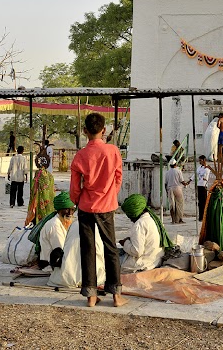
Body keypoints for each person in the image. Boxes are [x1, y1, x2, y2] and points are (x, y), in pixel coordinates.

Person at [69, 112, 127, 308]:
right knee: (111, 248)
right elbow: (118, 178)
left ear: (85, 131)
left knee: (88, 249)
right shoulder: (113, 151)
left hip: (85, 205)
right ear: (104, 130)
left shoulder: (80, 155)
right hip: (106, 206)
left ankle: (91, 296)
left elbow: (75, 187)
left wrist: (76, 200)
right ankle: (116, 295)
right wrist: (110, 194)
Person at [119, 194, 174, 273]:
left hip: (143, 264)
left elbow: (137, 251)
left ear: (133, 213)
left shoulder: (139, 224)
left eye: (129, 216)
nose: (130, 219)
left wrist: (125, 243)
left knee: (110, 260)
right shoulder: (152, 219)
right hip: (155, 260)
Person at [38, 192, 76, 269]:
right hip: (52, 264)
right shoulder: (54, 225)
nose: (70, 213)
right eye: (66, 209)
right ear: (59, 210)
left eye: (72, 209)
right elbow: (60, 249)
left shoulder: (64, 222)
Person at [164, 159, 188, 224]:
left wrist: (166, 191)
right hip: (177, 189)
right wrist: (185, 184)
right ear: (175, 164)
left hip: (170, 189)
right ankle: (180, 219)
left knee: (172, 205)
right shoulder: (178, 171)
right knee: (180, 204)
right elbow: (181, 181)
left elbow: (165, 183)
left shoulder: (167, 172)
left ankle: (173, 220)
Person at [196, 155, 211, 221]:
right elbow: (196, 174)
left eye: (200, 160)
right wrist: (190, 180)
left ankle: (205, 216)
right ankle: (200, 216)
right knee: (200, 202)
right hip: (199, 185)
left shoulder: (207, 168)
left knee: (204, 202)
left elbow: (206, 175)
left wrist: (204, 178)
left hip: (204, 186)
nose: (200, 162)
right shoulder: (199, 168)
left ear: (204, 160)